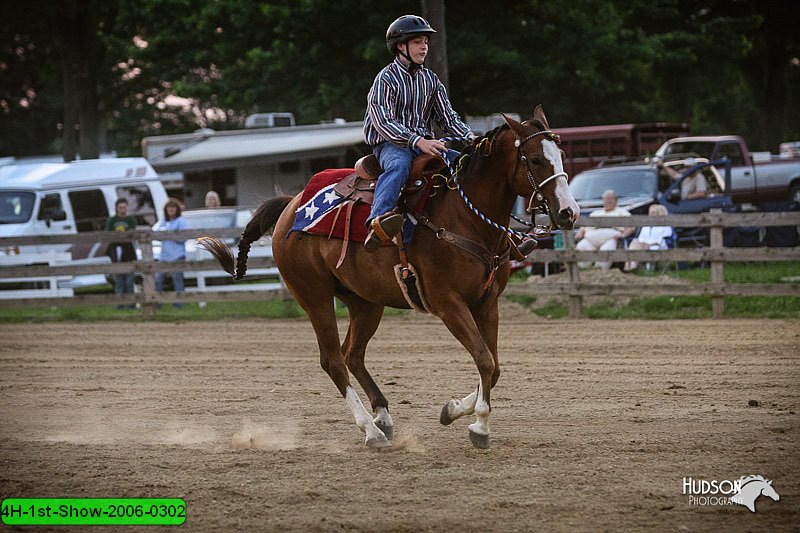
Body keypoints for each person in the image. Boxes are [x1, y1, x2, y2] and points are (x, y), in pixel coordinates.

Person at [363, 14, 475, 252]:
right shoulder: (385, 79)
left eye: (425, 41)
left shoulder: (430, 80)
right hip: (391, 144)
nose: (424, 46)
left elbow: (448, 118)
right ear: (400, 46)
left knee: (467, 165)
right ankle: (378, 221)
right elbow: (382, 121)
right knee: (399, 167)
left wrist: (471, 139)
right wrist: (417, 141)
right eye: (417, 41)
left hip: (424, 144)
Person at [575, 190, 634, 269]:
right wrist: (580, 232)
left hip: (611, 235)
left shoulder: (622, 212)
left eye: (611, 198)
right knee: (581, 246)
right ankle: (583, 270)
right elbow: (584, 227)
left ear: (616, 200)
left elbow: (632, 226)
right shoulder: (596, 213)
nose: (608, 201)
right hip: (592, 236)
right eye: (606, 199)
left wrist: (623, 235)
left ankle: (600, 270)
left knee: (606, 249)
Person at [152, 198, 187, 308]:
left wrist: (171, 235)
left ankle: (179, 304)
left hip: (177, 255)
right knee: (158, 279)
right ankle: (159, 303)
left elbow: (184, 237)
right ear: (166, 210)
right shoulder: (163, 221)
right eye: (169, 208)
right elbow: (154, 234)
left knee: (177, 280)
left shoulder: (181, 221)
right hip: (164, 256)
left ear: (177, 209)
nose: (171, 210)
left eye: (173, 208)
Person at [105, 198, 137, 309]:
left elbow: (132, 233)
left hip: (128, 249)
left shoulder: (131, 219)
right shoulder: (112, 220)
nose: (123, 209)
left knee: (129, 280)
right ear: (117, 208)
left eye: (124, 207)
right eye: (120, 207)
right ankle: (120, 304)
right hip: (116, 249)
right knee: (119, 280)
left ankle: (131, 304)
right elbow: (108, 234)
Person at [624, 204, 674, 272]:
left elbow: (666, 239)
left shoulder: (665, 226)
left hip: (657, 246)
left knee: (636, 246)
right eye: (650, 212)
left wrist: (650, 245)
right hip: (643, 245)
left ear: (660, 213)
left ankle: (630, 267)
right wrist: (644, 244)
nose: (650, 215)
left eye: (653, 212)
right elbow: (640, 238)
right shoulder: (646, 225)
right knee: (635, 241)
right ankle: (631, 266)